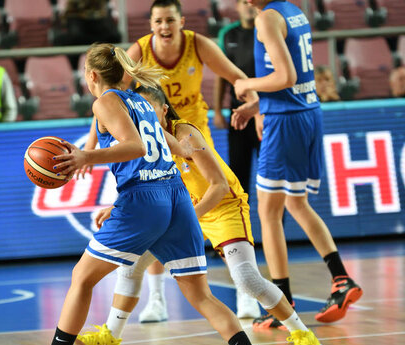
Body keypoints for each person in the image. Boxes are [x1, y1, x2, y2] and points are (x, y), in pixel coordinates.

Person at [12, 43, 273, 345]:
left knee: (82, 278)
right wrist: (188, 154)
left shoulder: (106, 101)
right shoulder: (139, 100)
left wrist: (85, 159)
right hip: (175, 195)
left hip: (144, 199)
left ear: (91, 75)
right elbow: (178, 148)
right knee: (200, 295)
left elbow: (136, 146)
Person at [76, 85, 323, 345]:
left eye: (149, 109)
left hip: (223, 206)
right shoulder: (145, 141)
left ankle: (303, 335)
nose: (142, 116)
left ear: (164, 110)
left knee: (247, 279)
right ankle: (110, 337)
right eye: (138, 111)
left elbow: (218, 186)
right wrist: (117, 206)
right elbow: (146, 184)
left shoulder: (186, 133)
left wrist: (188, 218)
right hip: (181, 208)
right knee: (133, 264)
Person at [125, 0, 262, 323]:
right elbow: (109, 94)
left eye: (170, 20)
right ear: (150, 24)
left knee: (218, 204)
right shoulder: (139, 52)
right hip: (158, 141)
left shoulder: (198, 44)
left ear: (181, 21)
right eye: (158, 21)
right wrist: (92, 143)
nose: (164, 27)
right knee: (159, 215)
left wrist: (253, 99)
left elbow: (234, 75)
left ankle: (245, 291)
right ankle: (157, 300)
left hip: (194, 137)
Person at [231, 0, 363, 327]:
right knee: (297, 204)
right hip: (306, 114)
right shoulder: (294, 11)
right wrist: (258, 105)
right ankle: (341, 279)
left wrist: (247, 86)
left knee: (269, 211)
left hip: (286, 122)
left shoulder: (267, 18)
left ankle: (282, 303)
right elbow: (297, 78)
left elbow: (286, 76)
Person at [213, 0, 260, 200]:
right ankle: (242, 229)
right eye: (243, 1)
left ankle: (277, 230)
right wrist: (217, 111)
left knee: (272, 179)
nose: (248, 6)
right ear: (238, 6)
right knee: (238, 177)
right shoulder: (228, 34)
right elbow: (221, 75)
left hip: (264, 112)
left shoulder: (268, 28)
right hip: (238, 115)